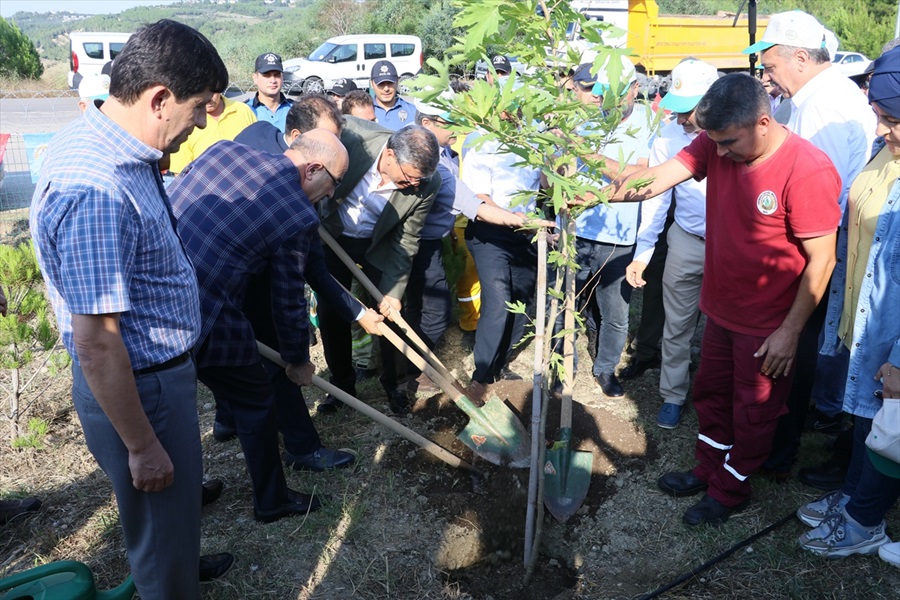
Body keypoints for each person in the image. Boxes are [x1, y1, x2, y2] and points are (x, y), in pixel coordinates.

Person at [29, 20, 232, 598]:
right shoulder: (96, 187)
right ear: (159, 98)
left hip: (151, 379)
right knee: (160, 537)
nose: (196, 127)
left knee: (170, 521)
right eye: (195, 111)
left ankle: (177, 562)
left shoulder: (109, 148)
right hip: (139, 388)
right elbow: (97, 342)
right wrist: (142, 446)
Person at [602, 73, 841, 526]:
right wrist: (593, 195)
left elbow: (823, 260)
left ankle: (731, 489)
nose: (722, 153)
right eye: (716, 142)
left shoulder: (807, 169)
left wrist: (790, 332)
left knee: (755, 409)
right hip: (721, 309)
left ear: (764, 123)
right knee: (712, 394)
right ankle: (708, 469)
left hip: (768, 324)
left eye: (730, 142)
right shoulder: (716, 142)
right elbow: (656, 180)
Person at [169, 130, 348, 522]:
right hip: (205, 311)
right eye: (333, 183)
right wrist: (298, 361)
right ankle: (272, 500)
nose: (331, 194)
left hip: (156, 296)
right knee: (256, 400)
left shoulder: (224, 150)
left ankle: (182, 493)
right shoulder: (296, 216)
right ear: (313, 168)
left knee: (170, 408)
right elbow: (287, 302)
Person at [745, 10, 878, 478]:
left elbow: (826, 192)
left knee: (794, 344)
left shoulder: (821, 105)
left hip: (811, 246)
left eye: (772, 64)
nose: (768, 74)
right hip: (817, 241)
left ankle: (778, 451)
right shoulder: (817, 95)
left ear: (799, 57)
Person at [794, 47, 900, 563]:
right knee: (865, 417)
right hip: (866, 314)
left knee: (889, 428)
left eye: (891, 120)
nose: (881, 130)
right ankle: (854, 498)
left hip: (892, 332)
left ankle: (865, 523)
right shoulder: (889, 152)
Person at [407, 97, 553, 391]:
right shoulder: (479, 141)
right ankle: (482, 377)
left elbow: (546, 185)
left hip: (526, 232)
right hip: (489, 234)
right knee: (498, 304)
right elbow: (479, 199)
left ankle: (501, 363)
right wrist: (515, 219)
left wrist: (552, 159)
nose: (516, 113)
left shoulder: (534, 136)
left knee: (521, 303)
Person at [316, 119, 441, 413]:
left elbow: (408, 237)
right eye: (409, 178)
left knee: (391, 314)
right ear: (389, 156)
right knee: (332, 310)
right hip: (333, 235)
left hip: (380, 244)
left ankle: (395, 386)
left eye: (418, 181)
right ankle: (342, 387)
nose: (413, 186)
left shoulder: (428, 182)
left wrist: (394, 292)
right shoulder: (351, 141)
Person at [625, 58, 718, 428]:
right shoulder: (667, 137)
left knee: (722, 329)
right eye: (676, 111)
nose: (681, 120)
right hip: (687, 240)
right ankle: (674, 394)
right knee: (677, 324)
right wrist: (643, 253)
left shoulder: (736, 137)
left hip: (730, 247)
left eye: (688, 112)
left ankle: (715, 397)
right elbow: (656, 198)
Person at [568, 57, 656, 399]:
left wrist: (589, 156)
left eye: (620, 92)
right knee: (567, 307)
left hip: (619, 237)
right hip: (576, 231)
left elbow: (640, 178)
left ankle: (605, 369)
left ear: (634, 88)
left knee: (615, 312)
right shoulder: (580, 120)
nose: (612, 101)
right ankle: (566, 365)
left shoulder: (649, 123)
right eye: (605, 93)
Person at [167, 91, 256, 173]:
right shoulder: (185, 120)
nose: (209, 99)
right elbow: (181, 173)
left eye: (212, 92)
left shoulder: (243, 111)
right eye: (203, 93)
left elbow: (257, 154)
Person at [235, 93, 343, 155]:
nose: (335, 149)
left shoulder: (258, 129)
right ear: (296, 137)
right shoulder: (287, 175)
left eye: (338, 141)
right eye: (327, 143)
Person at [246, 52, 293, 132]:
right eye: (266, 75)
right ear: (255, 78)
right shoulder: (246, 110)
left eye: (277, 75)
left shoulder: (295, 109)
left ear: (283, 77)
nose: (273, 80)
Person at [370, 59, 416, 130]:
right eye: (381, 84)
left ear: (397, 81)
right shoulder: (366, 111)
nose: (386, 89)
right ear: (371, 84)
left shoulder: (413, 111)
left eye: (390, 83)